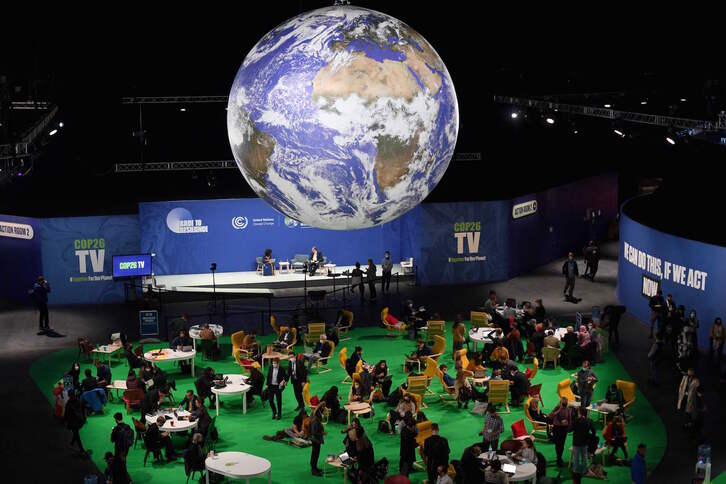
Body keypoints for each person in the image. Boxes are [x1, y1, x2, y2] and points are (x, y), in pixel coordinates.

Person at [571, 406, 596, 482]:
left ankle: (575, 471)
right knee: (584, 457)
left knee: (576, 458)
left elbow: (569, 430)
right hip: (585, 443)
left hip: (576, 443)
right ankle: (584, 471)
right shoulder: (589, 421)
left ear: (579, 413)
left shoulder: (576, 420)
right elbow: (594, 431)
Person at [549, 396, 571, 466]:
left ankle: (559, 457)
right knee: (558, 445)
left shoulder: (567, 409)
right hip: (557, 428)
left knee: (561, 445)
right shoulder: (557, 408)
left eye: (565, 403)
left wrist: (568, 425)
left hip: (564, 429)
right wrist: (559, 410)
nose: (565, 405)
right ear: (560, 403)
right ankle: (559, 458)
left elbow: (570, 419)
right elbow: (550, 416)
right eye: (563, 403)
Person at [64, 392, 87, 457]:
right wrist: (84, 418)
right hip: (79, 420)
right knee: (76, 433)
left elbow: (67, 412)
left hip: (74, 421)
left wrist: (65, 420)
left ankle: (81, 449)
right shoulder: (78, 400)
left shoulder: (70, 403)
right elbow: (83, 410)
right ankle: (72, 443)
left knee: (76, 435)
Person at [310, 403, 326, 475]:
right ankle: (314, 470)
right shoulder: (315, 421)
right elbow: (314, 432)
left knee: (316, 454)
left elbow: (317, 409)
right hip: (315, 440)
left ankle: (315, 467)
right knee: (315, 454)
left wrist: (322, 404)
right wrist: (322, 433)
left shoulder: (312, 415)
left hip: (316, 440)